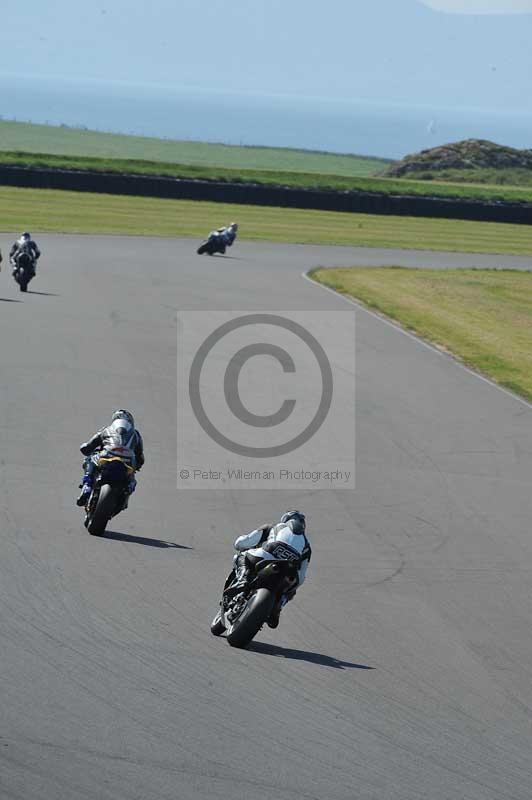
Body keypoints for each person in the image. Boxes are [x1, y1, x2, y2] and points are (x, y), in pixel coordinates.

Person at [226, 510, 311, 628]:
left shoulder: (273, 527)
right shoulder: (307, 545)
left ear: (285, 519)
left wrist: (240, 544)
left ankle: (242, 579)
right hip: (289, 570)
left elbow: (241, 543)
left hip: (268, 554)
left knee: (242, 556)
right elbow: (301, 578)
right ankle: (278, 607)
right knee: (292, 590)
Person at [76, 409, 144, 506]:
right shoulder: (136, 435)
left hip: (107, 454)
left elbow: (88, 447)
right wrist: (138, 465)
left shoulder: (106, 430)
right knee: (131, 478)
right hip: (128, 461)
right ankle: (126, 493)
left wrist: (85, 448)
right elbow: (140, 457)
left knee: (90, 459)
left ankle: (87, 485)